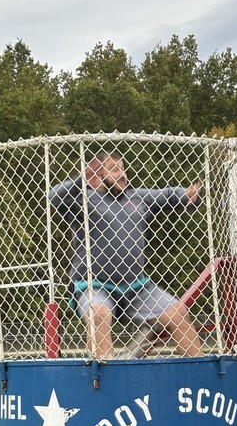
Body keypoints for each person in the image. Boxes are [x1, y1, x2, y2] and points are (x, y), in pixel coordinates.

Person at [49, 149, 204, 360]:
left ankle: (203, 374)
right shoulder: (83, 199)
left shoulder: (137, 197)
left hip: (136, 287)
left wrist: (185, 195)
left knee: (178, 313)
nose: (122, 175)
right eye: (114, 169)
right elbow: (54, 198)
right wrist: (81, 180)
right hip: (95, 286)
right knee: (99, 315)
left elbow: (167, 195)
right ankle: (105, 381)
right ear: (98, 175)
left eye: (123, 169)